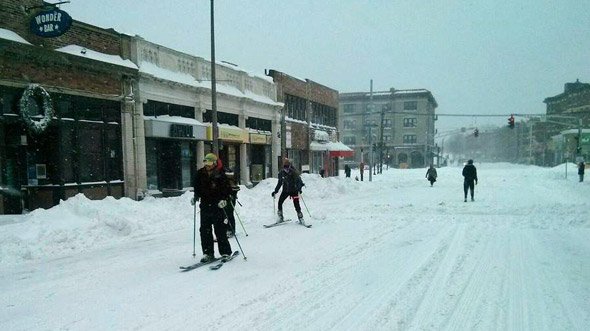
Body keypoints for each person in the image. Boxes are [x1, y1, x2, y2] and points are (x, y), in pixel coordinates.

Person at [191, 153, 232, 263]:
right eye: (205, 163)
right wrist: (195, 196)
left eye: (209, 163)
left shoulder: (221, 174)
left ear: (214, 163)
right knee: (204, 230)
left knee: (219, 230)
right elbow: (197, 187)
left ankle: (225, 252)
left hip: (217, 205)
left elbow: (227, 189)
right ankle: (208, 253)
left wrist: (224, 199)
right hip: (205, 205)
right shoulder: (200, 173)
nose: (207, 166)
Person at [272, 158, 305, 223]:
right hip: (286, 191)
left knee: (296, 204)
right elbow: (280, 183)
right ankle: (280, 217)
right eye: (284, 167)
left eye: (287, 167)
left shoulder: (294, 173)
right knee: (280, 202)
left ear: (290, 166)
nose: (286, 169)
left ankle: (300, 217)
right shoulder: (282, 173)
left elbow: (299, 181)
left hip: (294, 190)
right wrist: (275, 191)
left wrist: (299, 189)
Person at [224, 169, 240, 237]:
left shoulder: (233, 182)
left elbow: (236, 189)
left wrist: (231, 194)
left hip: (231, 200)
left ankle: (231, 230)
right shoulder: (225, 181)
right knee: (226, 214)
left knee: (229, 214)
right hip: (226, 200)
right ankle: (227, 229)